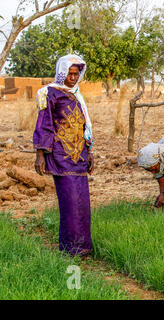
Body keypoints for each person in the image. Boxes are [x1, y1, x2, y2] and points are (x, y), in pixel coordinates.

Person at [33, 54, 94, 257]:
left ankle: (84, 248)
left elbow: (84, 126)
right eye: (69, 73)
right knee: (69, 203)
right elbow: (44, 124)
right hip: (61, 156)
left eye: (76, 74)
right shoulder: (49, 93)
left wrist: (89, 151)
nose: (73, 78)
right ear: (61, 72)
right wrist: (40, 154)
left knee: (82, 204)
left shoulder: (77, 94)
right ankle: (70, 249)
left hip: (79, 157)